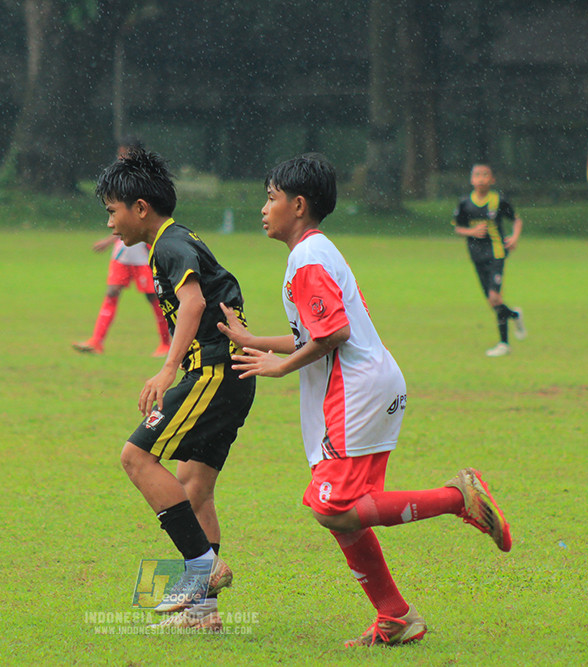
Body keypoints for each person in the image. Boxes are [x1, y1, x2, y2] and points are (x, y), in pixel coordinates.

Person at [218, 154, 512, 647]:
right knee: (343, 509)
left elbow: (332, 333)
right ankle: (395, 617)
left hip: (354, 394)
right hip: (370, 385)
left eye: (271, 198)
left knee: (331, 508)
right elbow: (315, 332)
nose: (264, 209)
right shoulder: (317, 251)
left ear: (298, 204)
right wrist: (257, 342)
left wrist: (277, 366)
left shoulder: (306, 260)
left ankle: (457, 497)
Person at [95, 148, 256, 631]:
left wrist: (167, 370)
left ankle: (202, 567)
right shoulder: (171, 241)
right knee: (195, 488)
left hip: (211, 371)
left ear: (140, 208)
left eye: (112, 211)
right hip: (228, 376)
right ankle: (202, 615)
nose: (110, 224)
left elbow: (193, 302)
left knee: (135, 456)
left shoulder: (169, 244)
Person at [74, 138, 171, 356]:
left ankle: (166, 344)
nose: (119, 158)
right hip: (122, 250)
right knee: (112, 292)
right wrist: (111, 240)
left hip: (141, 250)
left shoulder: (145, 184)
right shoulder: (121, 182)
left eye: (123, 154)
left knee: (153, 297)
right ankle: (96, 341)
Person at [453, 163, 526, 357]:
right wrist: (472, 231)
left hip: (497, 253)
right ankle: (514, 315)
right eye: (477, 175)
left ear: (492, 180)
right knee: (493, 302)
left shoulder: (498, 200)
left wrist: (514, 237)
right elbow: (458, 228)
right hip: (476, 256)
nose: (481, 178)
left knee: (495, 297)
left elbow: (517, 220)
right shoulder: (465, 203)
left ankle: (504, 344)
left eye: (485, 175)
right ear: (471, 179)